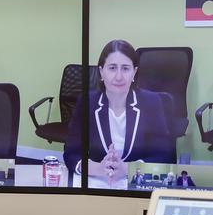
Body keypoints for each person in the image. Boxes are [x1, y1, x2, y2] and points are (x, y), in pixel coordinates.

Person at [64, 39, 173, 189]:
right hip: (97, 181)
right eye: (112, 68)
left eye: (126, 68)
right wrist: (98, 169)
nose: (119, 77)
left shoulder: (151, 102)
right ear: (101, 72)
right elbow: (71, 152)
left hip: (136, 183)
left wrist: (129, 169)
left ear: (134, 72)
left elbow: (165, 155)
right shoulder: (87, 102)